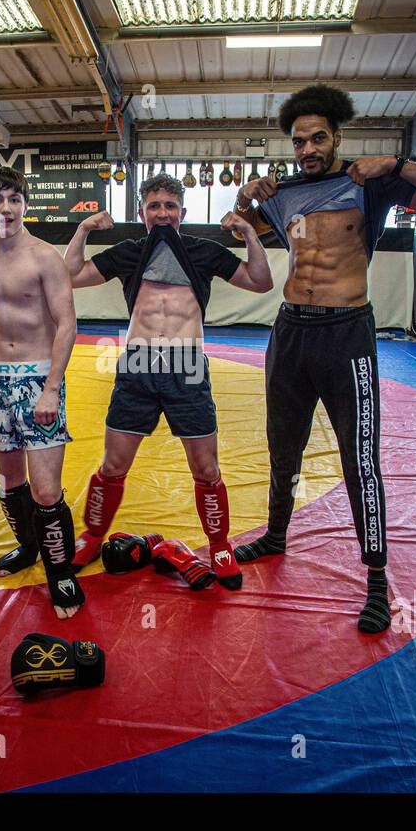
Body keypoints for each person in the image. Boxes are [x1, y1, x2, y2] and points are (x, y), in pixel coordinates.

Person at [230, 85, 416, 633]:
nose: (308, 148)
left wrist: (399, 162)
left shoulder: (372, 183)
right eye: (299, 140)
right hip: (291, 331)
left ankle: (375, 579)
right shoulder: (286, 191)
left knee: (359, 459)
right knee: (282, 446)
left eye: (318, 137)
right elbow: (237, 224)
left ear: (336, 136)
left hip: (347, 335)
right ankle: (275, 536)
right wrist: (248, 199)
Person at [63, 173, 273, 590]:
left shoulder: (202, 251)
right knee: (113, 465)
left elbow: (260, 281)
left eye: (169, 206)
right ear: (141, 213)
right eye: (154, 206)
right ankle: (92, 536)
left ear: (182, 213)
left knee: (206, 467)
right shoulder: (129, 252)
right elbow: (70, 275)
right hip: (138, 364)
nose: (162, 213)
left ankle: (220, 545)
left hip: (187, 366)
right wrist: (84, 228)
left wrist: (249, 231)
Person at [0, 167, 82, 618]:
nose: (5, 208)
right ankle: (29, 547)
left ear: (25, 205)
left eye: (13, 199)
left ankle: (61, 571)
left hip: (38, 378)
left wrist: (51, 388)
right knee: (11, 481)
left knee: (46, 491)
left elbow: (67, 323)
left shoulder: (45, 257)